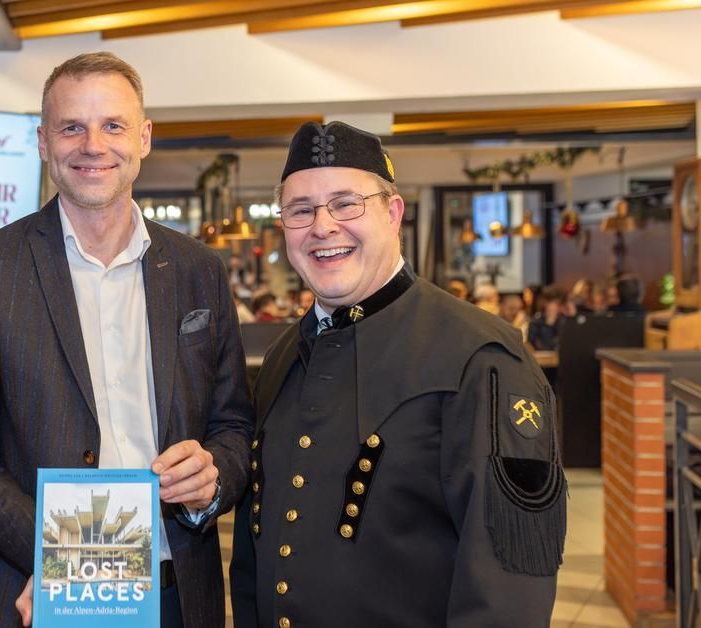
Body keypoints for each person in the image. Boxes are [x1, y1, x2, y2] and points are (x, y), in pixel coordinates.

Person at [0, 52, 254, 628]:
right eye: (71, 127)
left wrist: (212, 479)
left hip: (176, 591)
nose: (92, 145)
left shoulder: (198, 269)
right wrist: (71, 559)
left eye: (112, 125)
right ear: (42, 141)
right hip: (35, 587)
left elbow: (233, 428)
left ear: (145, 137)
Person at [229, 121, 565, 627]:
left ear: (393, 213)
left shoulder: (481, 358)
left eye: (346, 203)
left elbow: (509, 590)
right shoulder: (282, 358)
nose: (322, 227)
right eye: (301, 210)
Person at [527, 286, 566, 351]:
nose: (560, 307)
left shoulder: (563, 321)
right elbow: (546, 347)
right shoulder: (535, 323)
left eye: (560, 304)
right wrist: (549, 324)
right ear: (545, 303)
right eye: (556, 303)